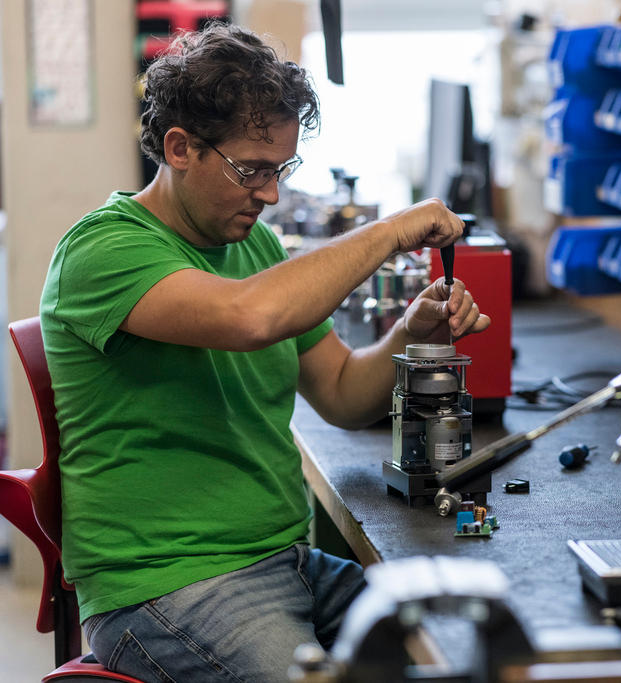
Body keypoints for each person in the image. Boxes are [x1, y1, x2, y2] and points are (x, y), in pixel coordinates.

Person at [39, 23, 489, 682]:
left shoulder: (255, 247)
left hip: (286, 565)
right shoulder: (102, 251)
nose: (271, 194)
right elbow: (251, 316)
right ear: (180, 147)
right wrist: (391, 231)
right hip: (169, 589)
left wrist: (413, 337)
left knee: (463, 636)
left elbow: (340, 392)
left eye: (281, 169)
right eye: (252, 169)